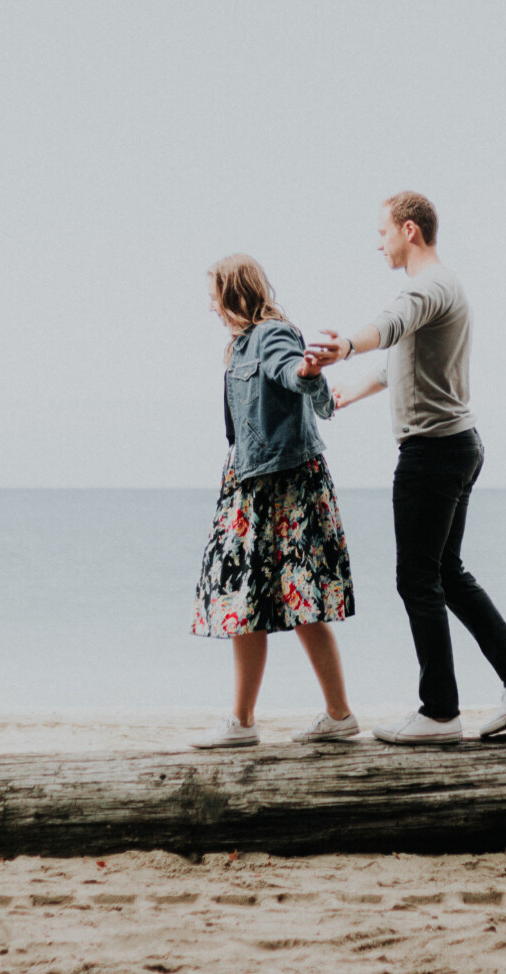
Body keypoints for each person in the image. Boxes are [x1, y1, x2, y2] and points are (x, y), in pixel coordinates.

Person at [308, 192, 506, 745]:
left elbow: (389, 326)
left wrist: (345, 344)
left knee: (417, 579)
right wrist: (351, 391)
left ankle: (440, 713)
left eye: (383, 231)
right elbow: (403, 360)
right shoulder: (444, 289)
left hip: (432, 453)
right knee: (445, 572)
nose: (379, 242)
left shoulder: (427, 288)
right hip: (457, 446)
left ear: (409, 230)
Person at [189, 254, 359, 748]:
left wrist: (308, 371)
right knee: (252, 602)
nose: (212, 307)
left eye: (214, 296)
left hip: (281, 486)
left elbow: (292, 373)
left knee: (296, 601)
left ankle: (323, 717)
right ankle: (255, 720)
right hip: (251, 483)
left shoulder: (271, 334)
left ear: (231, 292)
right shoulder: (238, 345)